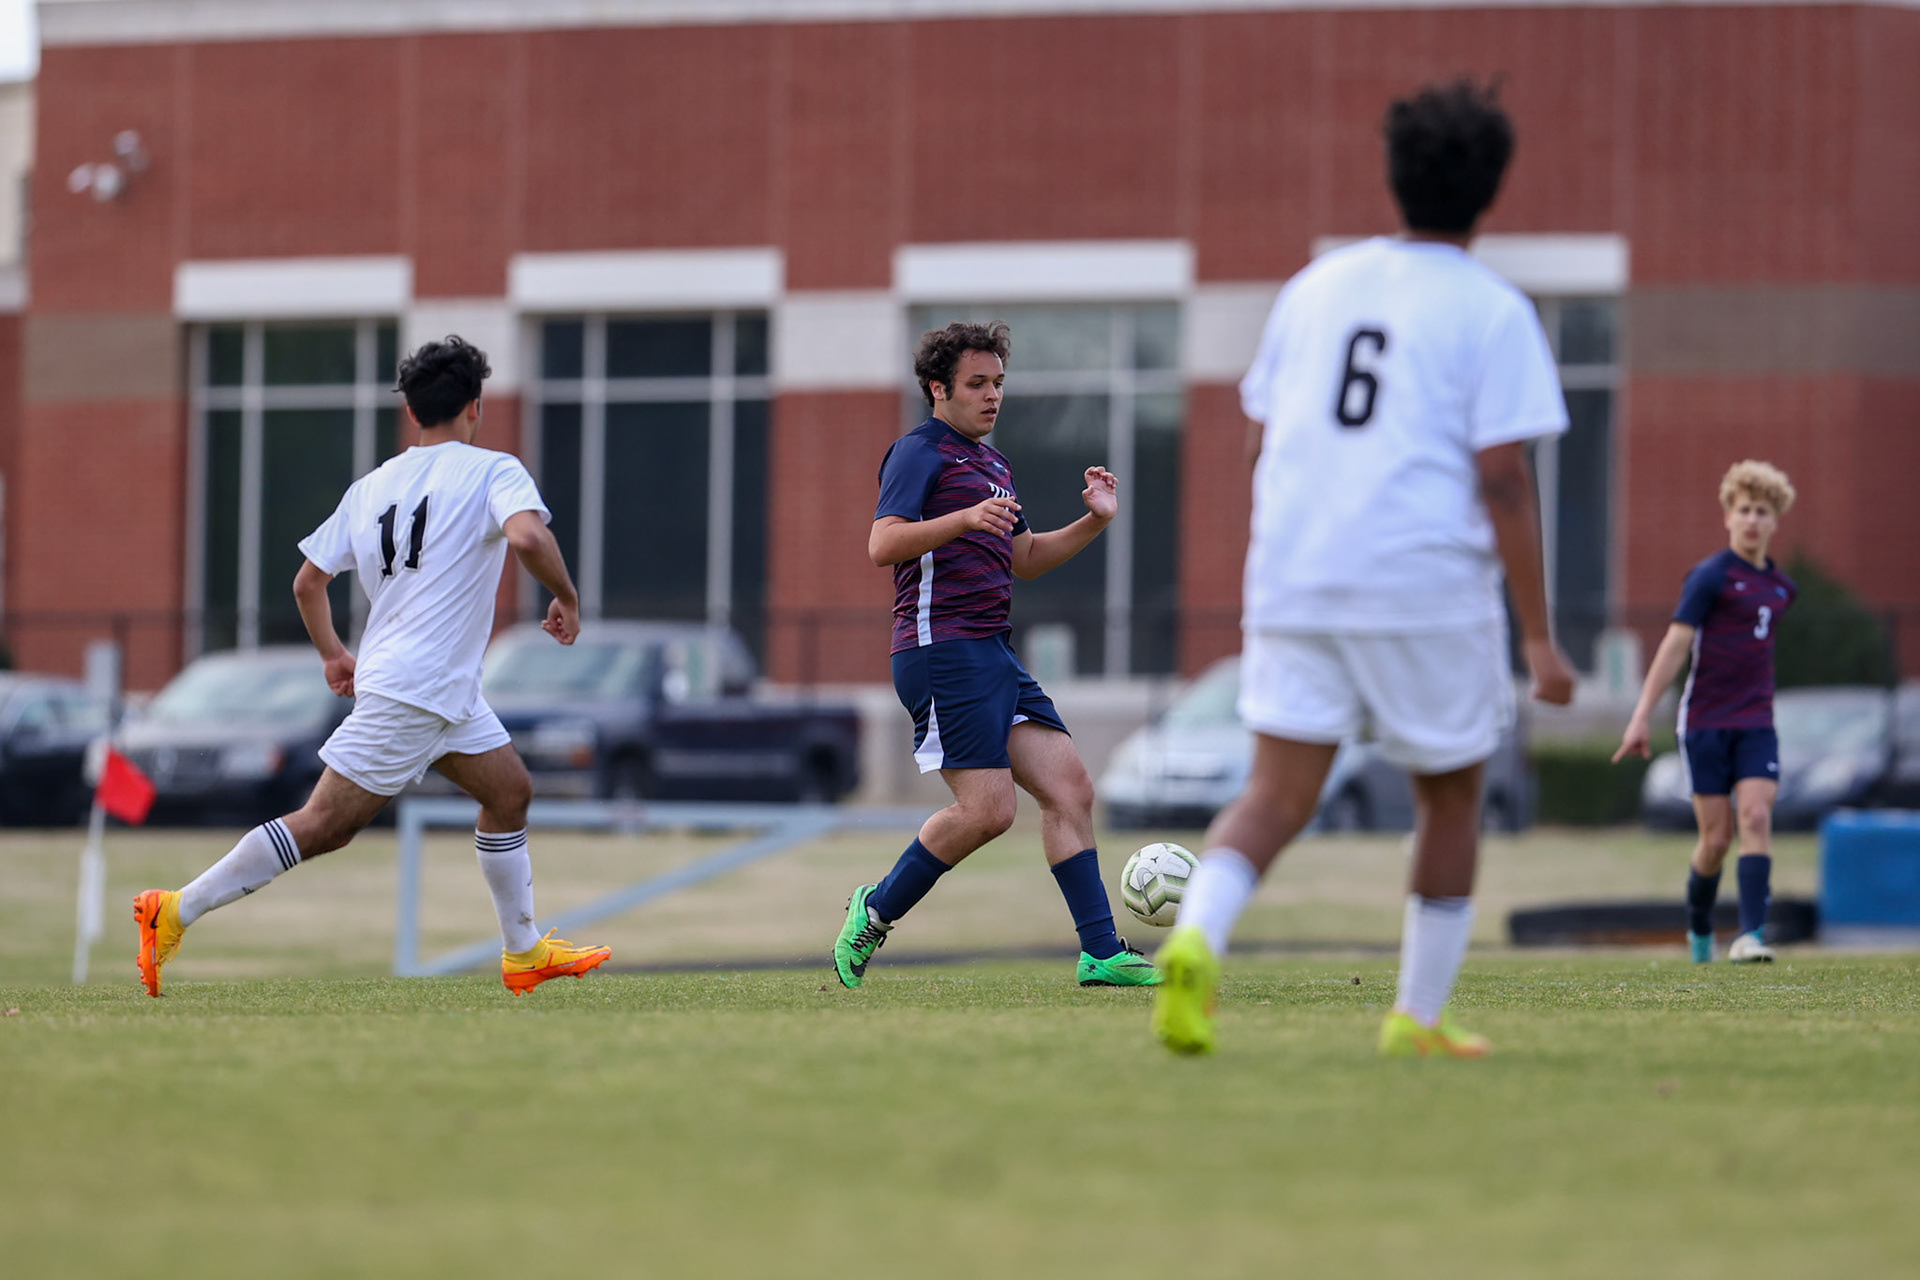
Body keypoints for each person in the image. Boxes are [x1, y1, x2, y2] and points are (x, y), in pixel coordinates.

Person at [1150, 78, 1576, 1058]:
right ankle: (1416, 1017)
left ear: (1394, 179)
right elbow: (1504, 481)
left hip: (1297, 570)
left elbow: (1267, 446)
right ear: (1492, 188)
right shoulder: (1494, 309)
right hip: (1421, 578)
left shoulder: (1315, 289)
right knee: (1450, 794)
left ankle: (1196, 938)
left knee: (1273, 796)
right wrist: (1542, 638)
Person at [134, 337, 611, 996]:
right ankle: (173, 910)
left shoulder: (372, 487)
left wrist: (334, 653)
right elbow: (528, 535)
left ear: (413, 413)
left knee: (509, 793)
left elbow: (307, 582)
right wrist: (567, 596)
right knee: (326, 825)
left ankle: (524, 951)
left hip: (442, 689)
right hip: (419, 688)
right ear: (474, 407)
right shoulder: (493, 470)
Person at [831, 320, 1160, 990]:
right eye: (977, 384)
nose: (992, 396)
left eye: (998, 383)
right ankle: (875, 909)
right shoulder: (918, 452)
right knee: (989, 810)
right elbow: (881, 544)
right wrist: (961, 520)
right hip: (940, 650)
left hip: (990, 652)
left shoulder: (993, 464)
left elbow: (1026, 559)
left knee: (1070, 788)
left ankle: (1100, 952)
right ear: (937, 388)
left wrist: (1095, 519)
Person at [1614, 461, 1797, 964]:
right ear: (1728, 517)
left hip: (1756, 723)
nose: (1752, 520)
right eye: (1744, 510)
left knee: (1756, 816)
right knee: (1715, 841)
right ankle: (1699, 931)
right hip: (1706, 724)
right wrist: (1641, 715)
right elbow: (1675, 646)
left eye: (1762, 511)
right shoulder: (1710, 576)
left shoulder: (1782, 589)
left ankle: (1751, 936)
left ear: (1775, 520)